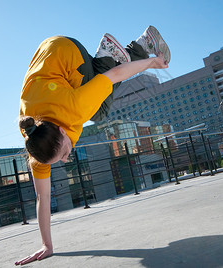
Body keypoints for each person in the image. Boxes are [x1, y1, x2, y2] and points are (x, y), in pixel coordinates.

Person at [15, 26, 170, 265]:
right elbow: (42, 197)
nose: (66, 159)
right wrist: (47, 244)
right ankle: (106, 55)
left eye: (65, 152)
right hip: (45, 52)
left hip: (69, 52)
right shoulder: (36, 142)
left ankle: (137, 45)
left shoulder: (74, 108)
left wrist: (152, 62)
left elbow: (117, 74)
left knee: (99, 111)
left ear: (62, 130)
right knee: (95, 95)